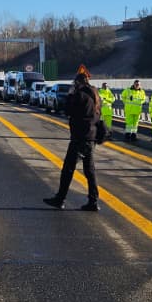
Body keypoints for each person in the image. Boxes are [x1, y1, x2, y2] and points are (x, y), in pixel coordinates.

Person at [43, 65, 102, 212]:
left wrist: (70, 94)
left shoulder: (79, 95)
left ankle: (60, 199)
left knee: (68, 169)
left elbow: (67, 110)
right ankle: (93, 201)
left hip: (80, 137)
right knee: (90, 171)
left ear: (78, 82)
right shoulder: (95, 94)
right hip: (91, 136)